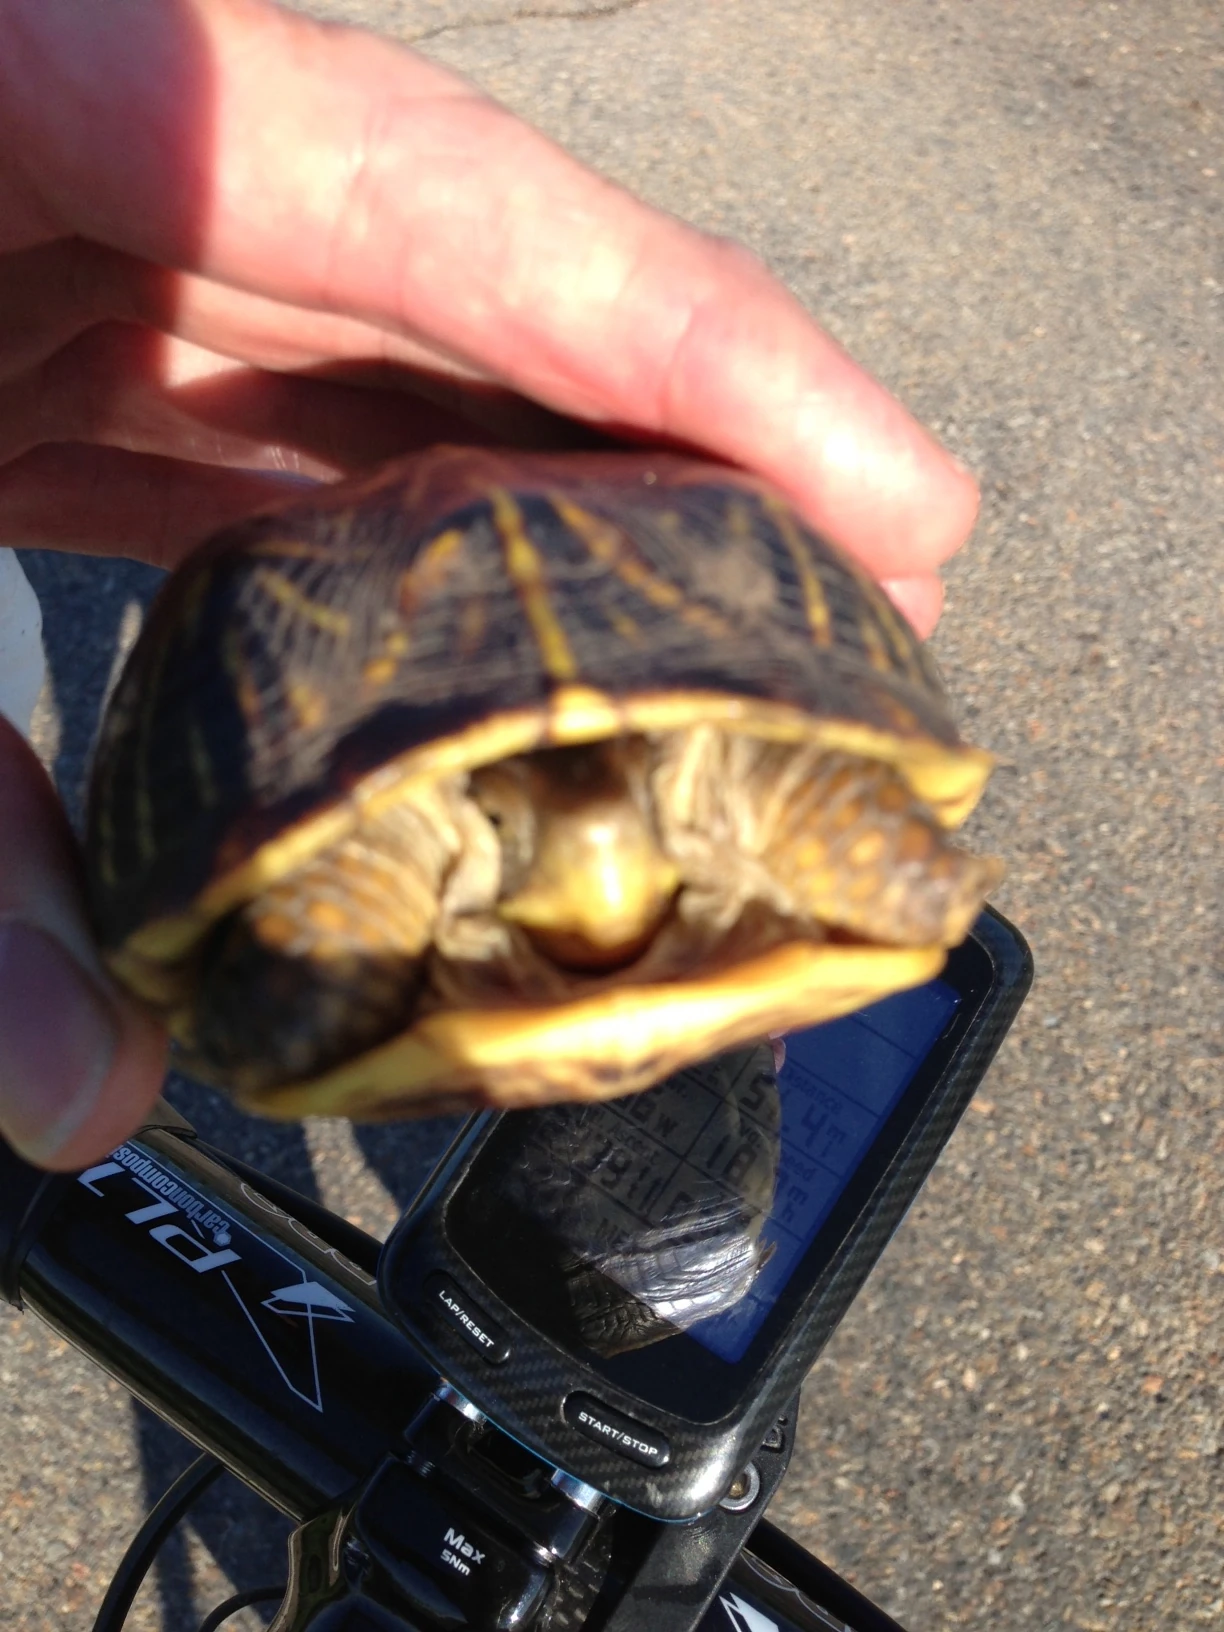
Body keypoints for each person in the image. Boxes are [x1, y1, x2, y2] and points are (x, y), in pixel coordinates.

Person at [0, 0, 978, 1171]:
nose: (598, 851)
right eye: (526, 815)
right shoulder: (381, 864)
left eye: (639, 800)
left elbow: (871, 820)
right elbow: (264, 961)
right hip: (386, 774)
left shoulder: (743, 788)